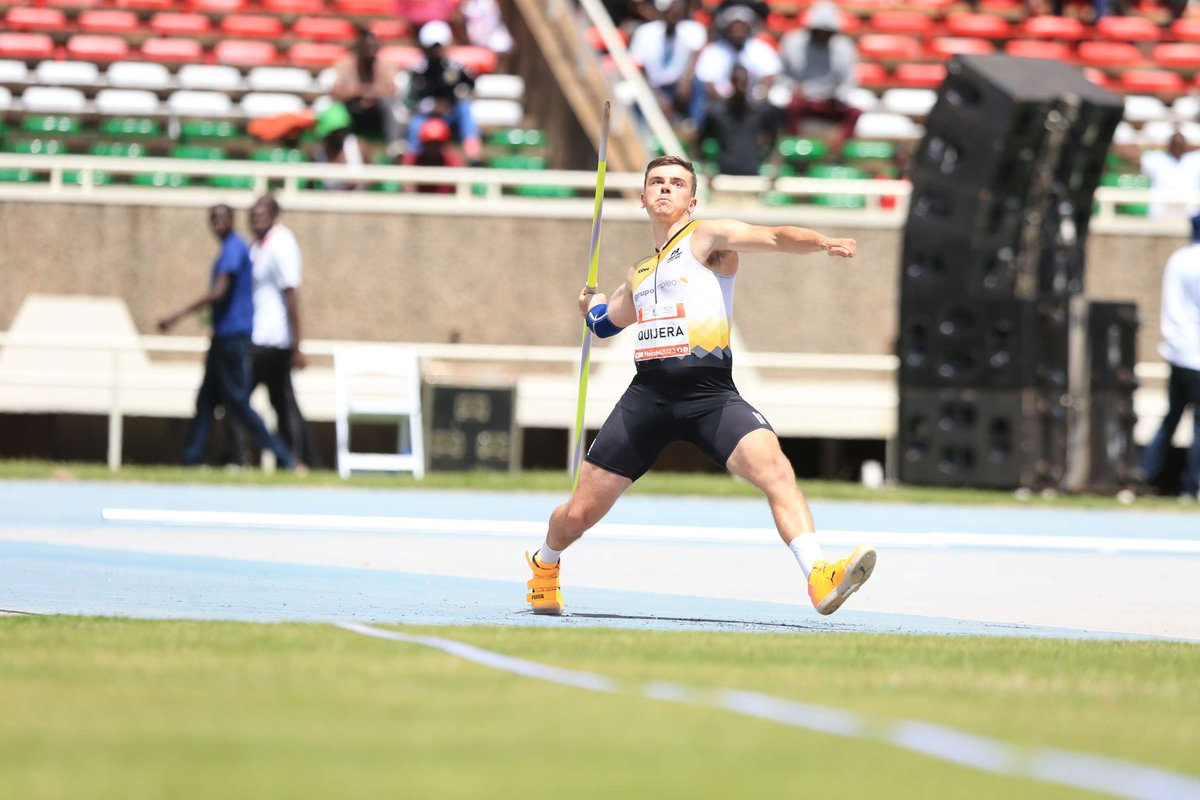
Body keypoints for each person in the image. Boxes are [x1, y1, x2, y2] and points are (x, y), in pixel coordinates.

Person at [524, 155, 876, 616]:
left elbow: (772, 237)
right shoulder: (638, 272)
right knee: (579, 515)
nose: (665, 189)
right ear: (644, 197)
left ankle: (818, 575)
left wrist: (821, 242)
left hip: (710, 395)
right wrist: (589, 307)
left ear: (692, 200)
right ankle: (544, 566)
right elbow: (608, 325)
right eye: (656, 183)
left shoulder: (708, 239)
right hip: (646, 401)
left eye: (675, 183)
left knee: (776, 470)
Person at [158, 205, 297, 471]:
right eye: (213, 219)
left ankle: (284, 456)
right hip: (222, 337)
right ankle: (192, 458)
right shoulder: (230, 249)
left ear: (233, 220)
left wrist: (177, 315)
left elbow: (219, 291)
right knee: (206, 400)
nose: (217, 223)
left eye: (222, 218)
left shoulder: (234, 248)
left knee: (239, 403)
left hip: (233, 340)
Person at [227, 196, 322, 470]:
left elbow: (291, 292)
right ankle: (306, 460)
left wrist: (297, 344)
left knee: (239, 398)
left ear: (275, 214)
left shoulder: (282, 243)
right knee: (283, 401)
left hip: (273, 339)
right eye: (252, 214)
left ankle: (240, 456)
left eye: (262, 214)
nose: (256, 219)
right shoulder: (257, 245)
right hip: (259, 335)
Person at [1136, 213, 1200, 501]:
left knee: (1171, 418)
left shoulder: (1178, 258)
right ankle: (1192, 486)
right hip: (1197, 353)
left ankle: (1145, 476)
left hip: (1177, 351)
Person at [779, 1, 861, 150]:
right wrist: (794, 88)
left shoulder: (845, 47)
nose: (823, 35)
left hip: (831, 101)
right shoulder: (792, 42)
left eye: (827, 31)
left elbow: (849, 80)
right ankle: (795, 151)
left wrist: (840, 95)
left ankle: (836, 151)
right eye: (819, 31)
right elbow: (781, 76)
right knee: (791, 106)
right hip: (802, 99)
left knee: (855, 111)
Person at [686, 4, 781, 128]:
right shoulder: (714, 51)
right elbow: (708, 82)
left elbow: (768, 76)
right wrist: (727, 101)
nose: (738, 32)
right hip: (720, 103)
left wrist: (758, 99)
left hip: (754, 103)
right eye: (735, 28)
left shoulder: (760, 49)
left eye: (742, 28)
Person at [406, 20, 483, 164]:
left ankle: (473, 154)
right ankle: (411, 159)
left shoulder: (455, 68)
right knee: (415, 124)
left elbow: (471, 85)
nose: (436, 51)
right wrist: (431, 106)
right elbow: (410, 101)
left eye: (439, 47)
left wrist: (454, 100)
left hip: (450, 116)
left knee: (465, 109)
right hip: (426, 118)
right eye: (432, 47)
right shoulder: (418, 70)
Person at [628, 0, 708, 123]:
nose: (674, 14)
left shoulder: (692, 31)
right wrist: (658, 97)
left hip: (678, 89)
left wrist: (686, 80)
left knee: (698, 84)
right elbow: (638, 68)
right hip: (651, 87)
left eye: (678, 10)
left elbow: (696, 55)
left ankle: (692, 125)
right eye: (670, 10)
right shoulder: (645, 33)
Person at [699, 64, 779, 176]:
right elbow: (700, 142)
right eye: (737, 81)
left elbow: (774, 140)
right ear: (731, 82)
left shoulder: (759, 112)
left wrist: (774, 165)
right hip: (724, 177)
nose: (740, 86)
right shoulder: (717, 113)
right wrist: (706, 167)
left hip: (752, 176)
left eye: (743, 82)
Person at [332, 27, 400, 153]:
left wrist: (368, 95)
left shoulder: (385, 66)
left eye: (373, 48)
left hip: (376, 111)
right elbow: (336, 92)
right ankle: (336, 149)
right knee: (337, 111)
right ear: (359, 48)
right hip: (353, 109)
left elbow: (392, 90)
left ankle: (394, 148)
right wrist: (359, 94)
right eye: (367, 48)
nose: (370, 52)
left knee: (386, 106)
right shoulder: (345, 65)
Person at [1136, 132, 1200, 220]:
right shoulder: (1156, 159)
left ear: (1185, 145)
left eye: (1180, 144)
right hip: (1160, 213)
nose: (1177, 147)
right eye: (1175, 144)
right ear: (1169, 145)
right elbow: (1133, 155)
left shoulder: (1194, 159)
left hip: (1188, 214)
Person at [311, 102, 368, 191]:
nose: (338, 135)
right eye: (334, 132)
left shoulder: (358, 147)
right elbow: (310, 183)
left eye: (341, 131)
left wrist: (357, 182)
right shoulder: (317, 153)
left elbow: (376, 176)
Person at [402, 116, 463, 193]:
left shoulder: (451, 162)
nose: (433, 148)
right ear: (423, 143)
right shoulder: (413, 161)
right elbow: (408, 189)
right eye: (429, 144)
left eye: (437, 143)